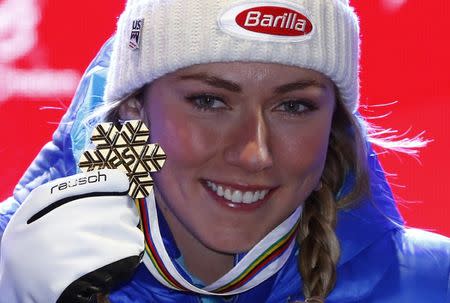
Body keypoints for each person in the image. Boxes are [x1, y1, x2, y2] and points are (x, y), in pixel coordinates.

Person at [0, 0, 449, 302]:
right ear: (136, 108)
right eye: (209, 102)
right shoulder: (8, 266)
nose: (254, 152)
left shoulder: (432, 283)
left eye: (294, 106)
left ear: (334, 125)